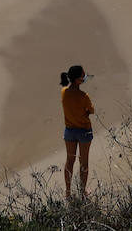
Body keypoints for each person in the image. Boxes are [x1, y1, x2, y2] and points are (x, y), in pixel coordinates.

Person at [60, 65, 93, 199]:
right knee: (83, 162)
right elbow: (91, 110)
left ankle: (68, 192)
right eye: (83, 76)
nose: (85, 78)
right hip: (84, 131)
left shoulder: (64, 92)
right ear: (78, 80)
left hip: (69, 131)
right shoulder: (84, 96)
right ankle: (82, 191)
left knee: (70, 161)